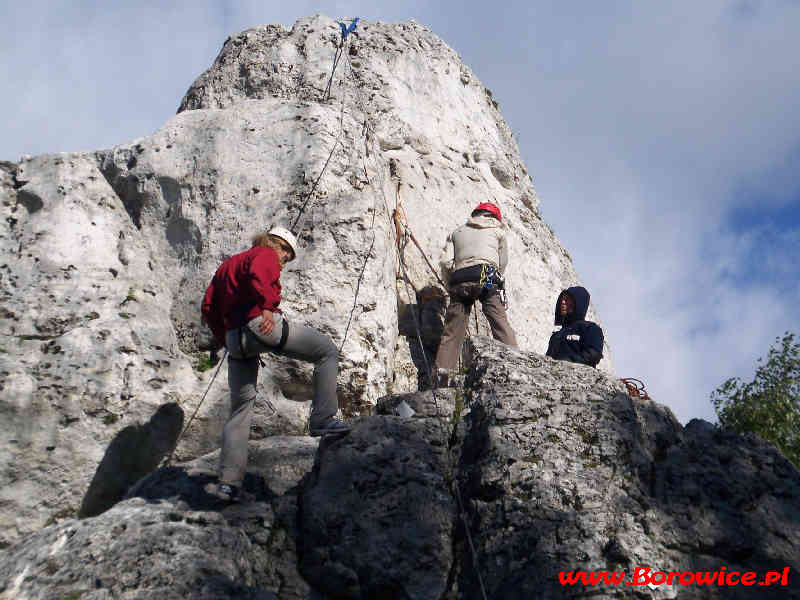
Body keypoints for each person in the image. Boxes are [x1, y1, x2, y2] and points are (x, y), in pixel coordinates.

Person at [201, 226, 349, 502]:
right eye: (287, 253)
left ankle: (228, 483)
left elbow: (209, 305)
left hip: (235, 339)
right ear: (276, 243)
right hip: (261, 323)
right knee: (326, 351)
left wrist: (224, 338)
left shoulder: (227, 266)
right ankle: (323, 419)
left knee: (240, 408)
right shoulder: (265, 253)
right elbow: (261, 272)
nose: (284, 260)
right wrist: (268, 306)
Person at [434, 203, 518, 382]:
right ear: (495, 217)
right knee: (498, 321)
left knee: (452, 331)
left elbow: (445, 262)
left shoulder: (457, 232)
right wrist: (494, 279)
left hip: (460, 276)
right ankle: (515, 365)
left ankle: (441, 374)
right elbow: (502, 263)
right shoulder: (498, 231)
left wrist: (454, 280)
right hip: (486, 274)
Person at [546, 286, 603, 368]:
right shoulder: (556, 336)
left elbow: (594, 354)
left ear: (578, 303)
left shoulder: (590, 328)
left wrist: (568, 362)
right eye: (562, 299)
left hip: (579, 377)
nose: (562, 302)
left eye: (566, 299)